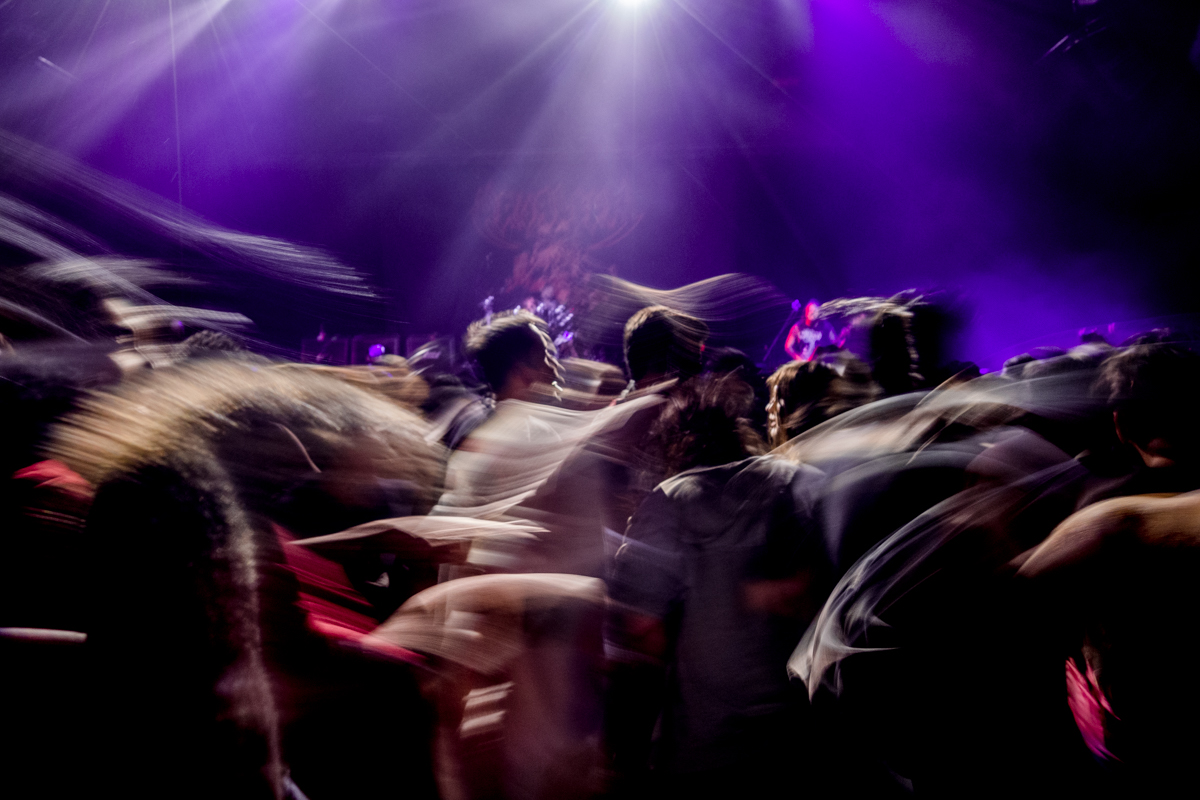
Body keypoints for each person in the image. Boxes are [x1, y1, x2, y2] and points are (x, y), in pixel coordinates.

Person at [606, 374, 830, 797]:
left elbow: (640, 629)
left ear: (674, 445)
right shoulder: (800, 481)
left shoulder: (670, 500)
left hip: (706, 747)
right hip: (801, 739)